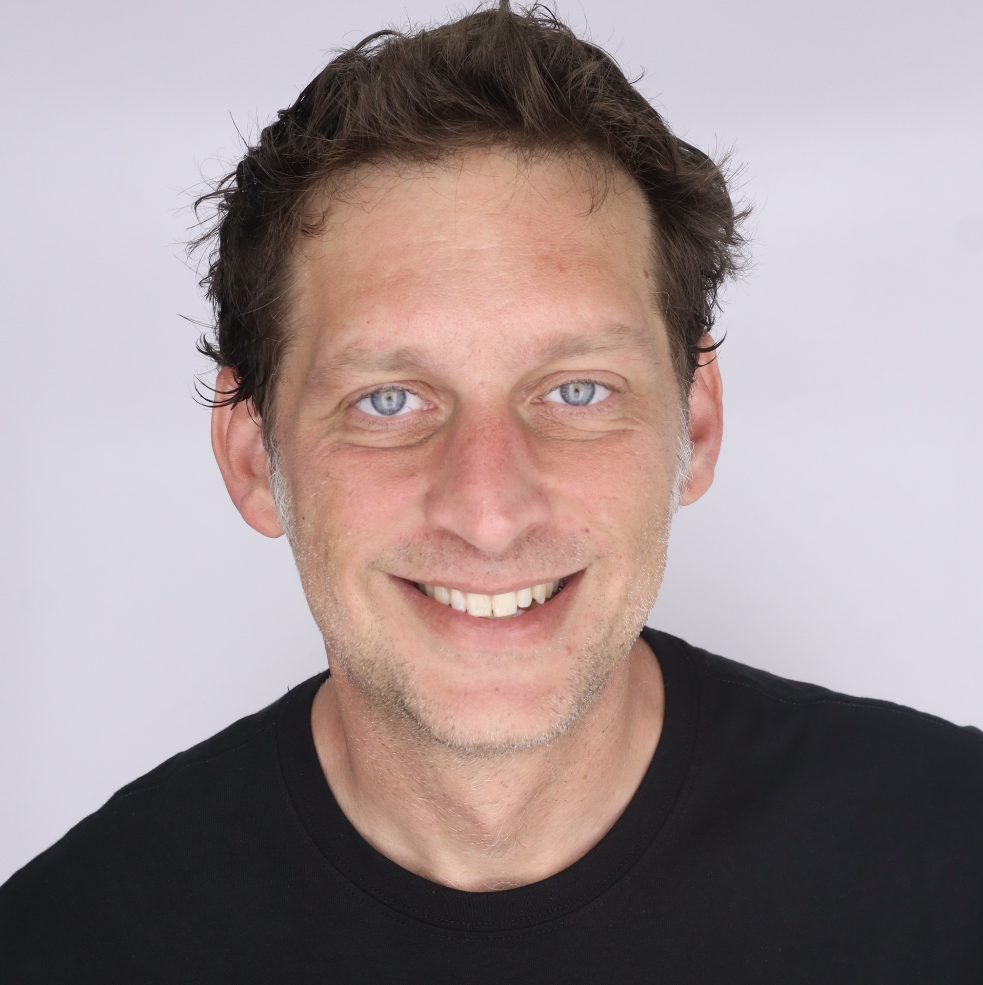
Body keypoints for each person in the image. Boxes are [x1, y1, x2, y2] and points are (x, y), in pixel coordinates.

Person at [2, 3, 981, 981]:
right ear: (254, 455)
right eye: (387, 399)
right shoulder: (63, 945)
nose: (488, 512)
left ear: (695, 424)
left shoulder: (952, 857)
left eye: (575, 390)